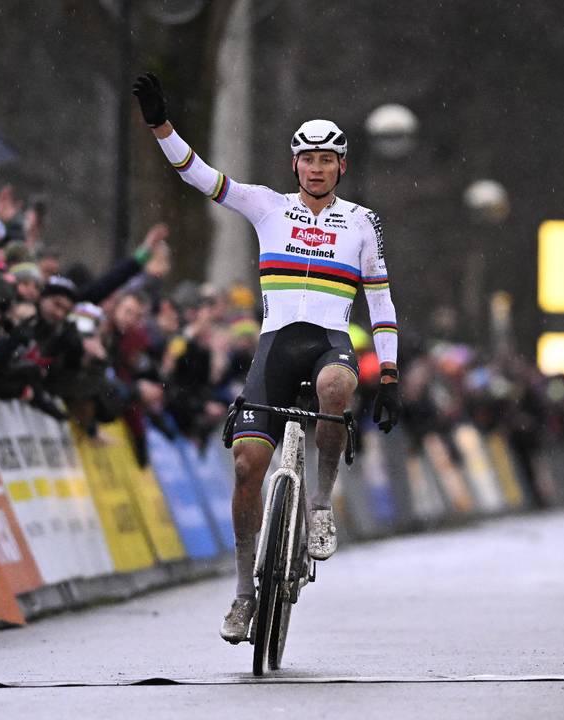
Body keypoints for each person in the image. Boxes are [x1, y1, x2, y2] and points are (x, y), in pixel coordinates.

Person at [133, 72, 403, 643]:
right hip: (276, 347)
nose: (317, 168)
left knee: (335, 388)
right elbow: (197, 174)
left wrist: (392, 370)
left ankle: (321, 505)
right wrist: (161, 124)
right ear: (294, 164)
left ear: (341, 168)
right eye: (308, 159)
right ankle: (242, 595)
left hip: (330, 342)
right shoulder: (266, 207)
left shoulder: (361, 222)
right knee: (246, 466)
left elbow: (378, 298)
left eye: (327, 160)